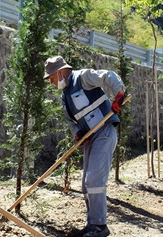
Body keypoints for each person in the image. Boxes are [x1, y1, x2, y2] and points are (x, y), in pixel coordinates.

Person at [44, 55, 127, 237]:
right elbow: (71, 122)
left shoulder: (83, 77)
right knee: (85, 185)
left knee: (94, 182)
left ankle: (100, 227)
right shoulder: (65, 96)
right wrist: (77, 133)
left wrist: (119, 93)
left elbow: (108, 75)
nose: (51, 83)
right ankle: (92, 225)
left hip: (104, 132)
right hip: (90, 138)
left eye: (51, 78)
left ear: (59, 73)